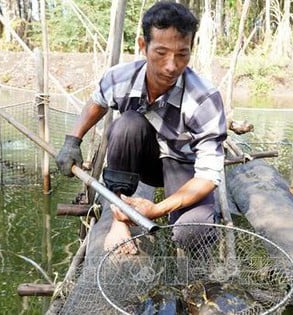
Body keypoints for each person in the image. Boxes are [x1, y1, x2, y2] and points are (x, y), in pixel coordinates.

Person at [56, 1, 227, 254]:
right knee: (127, 124)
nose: (171, 66)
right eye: (161, 53)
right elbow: (97, 102)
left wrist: (156, 209)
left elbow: (208, 176)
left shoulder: (204, 98)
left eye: (182, 54)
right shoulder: (119, 77)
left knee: (194, 234)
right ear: (143, 46)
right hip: (142, 158)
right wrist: (73, 140)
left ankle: (192, 231)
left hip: (183, 163)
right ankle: (119, 220)